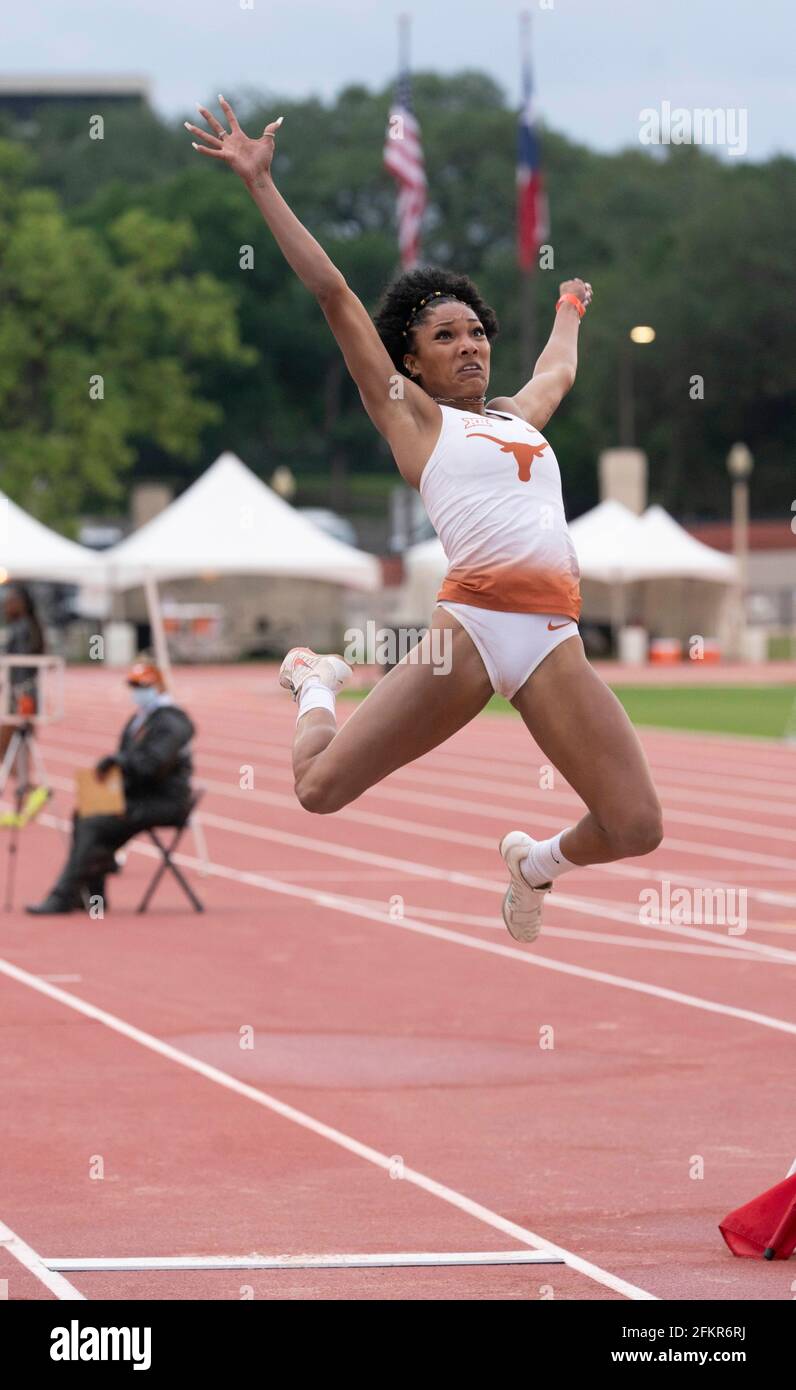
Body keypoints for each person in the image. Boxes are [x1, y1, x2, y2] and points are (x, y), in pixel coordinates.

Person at [185, 98, 663, 944]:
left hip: (552, 637)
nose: (472, 345)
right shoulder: (413, 418)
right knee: (319, 789)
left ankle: (534, 864)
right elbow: (334, 294)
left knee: (635, 825)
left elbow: (557, 372)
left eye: (478, 331)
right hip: (469, 629)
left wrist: (569, 311)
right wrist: (262, 185)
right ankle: (317, 685)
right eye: (448, 336)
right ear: (410, 360)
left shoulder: (515, 416)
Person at [26, 659, 195, 915]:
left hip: (164, 801)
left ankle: (65, 895)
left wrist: (119, 762)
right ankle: (92, 895)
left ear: (159, 685)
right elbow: (131, 761)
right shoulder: (141, 719)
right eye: (133, 685)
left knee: (96, 823)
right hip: (139, 795)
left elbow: (153, 765)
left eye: (142, 685)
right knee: (87, 814)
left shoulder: (172, 722)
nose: (137, 691)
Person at [0, 583, 45, 773]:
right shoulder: (28, 625)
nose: (7, 605)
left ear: (22, 603)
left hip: (21, 691)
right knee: (21, 743)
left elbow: (19, 663)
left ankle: (23, 784)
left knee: (13, 741)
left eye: (12, 601)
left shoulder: (23, 627)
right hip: (24, 690)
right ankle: (23, 783)